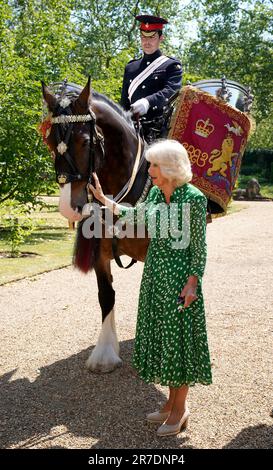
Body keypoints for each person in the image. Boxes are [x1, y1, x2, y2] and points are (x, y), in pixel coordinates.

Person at [89, 139, 212, 437]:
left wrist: (193, 282)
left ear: (170, 167)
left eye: (154, 165)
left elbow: (199, 246)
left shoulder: (193, 199)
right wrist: (104, 200)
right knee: (163, 341)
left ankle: (181, 411)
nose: (150, 170)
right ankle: (170, 405)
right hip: (155, 276)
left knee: (178, 346)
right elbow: (135, 215)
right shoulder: (156, 193)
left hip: (180, 279)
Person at [120, 15, 182, 142]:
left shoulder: (171, 65)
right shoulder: (131, 67)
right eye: (143, 37)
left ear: (161, 38)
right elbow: (124, 103)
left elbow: (171, 92)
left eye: (152, 37)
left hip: (157, 130)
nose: (146, 42)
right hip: (131, 128)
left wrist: (148, 102)